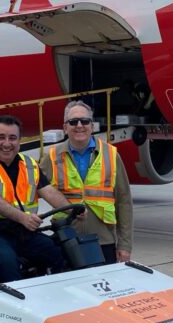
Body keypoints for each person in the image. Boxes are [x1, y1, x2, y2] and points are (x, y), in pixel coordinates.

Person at [0, 114, 74, 283]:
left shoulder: (29, 164)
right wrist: (23, 218)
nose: (7, 143)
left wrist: (73, 209)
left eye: (12, 138)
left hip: (20, 232)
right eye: (1, 137)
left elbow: (49, 192)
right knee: (7, 262)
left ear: (19, 141)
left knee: (57, 253)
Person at [41, 100, 133, 265]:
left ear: (92, 126)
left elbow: (124, 202)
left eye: (84, 121)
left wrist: (125, 244)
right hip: (66, 239)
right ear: (65, 127)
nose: (79, 126)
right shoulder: (52, 157)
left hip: (103, 241)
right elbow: (32, 188)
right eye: (73, 122)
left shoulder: (111, 155)